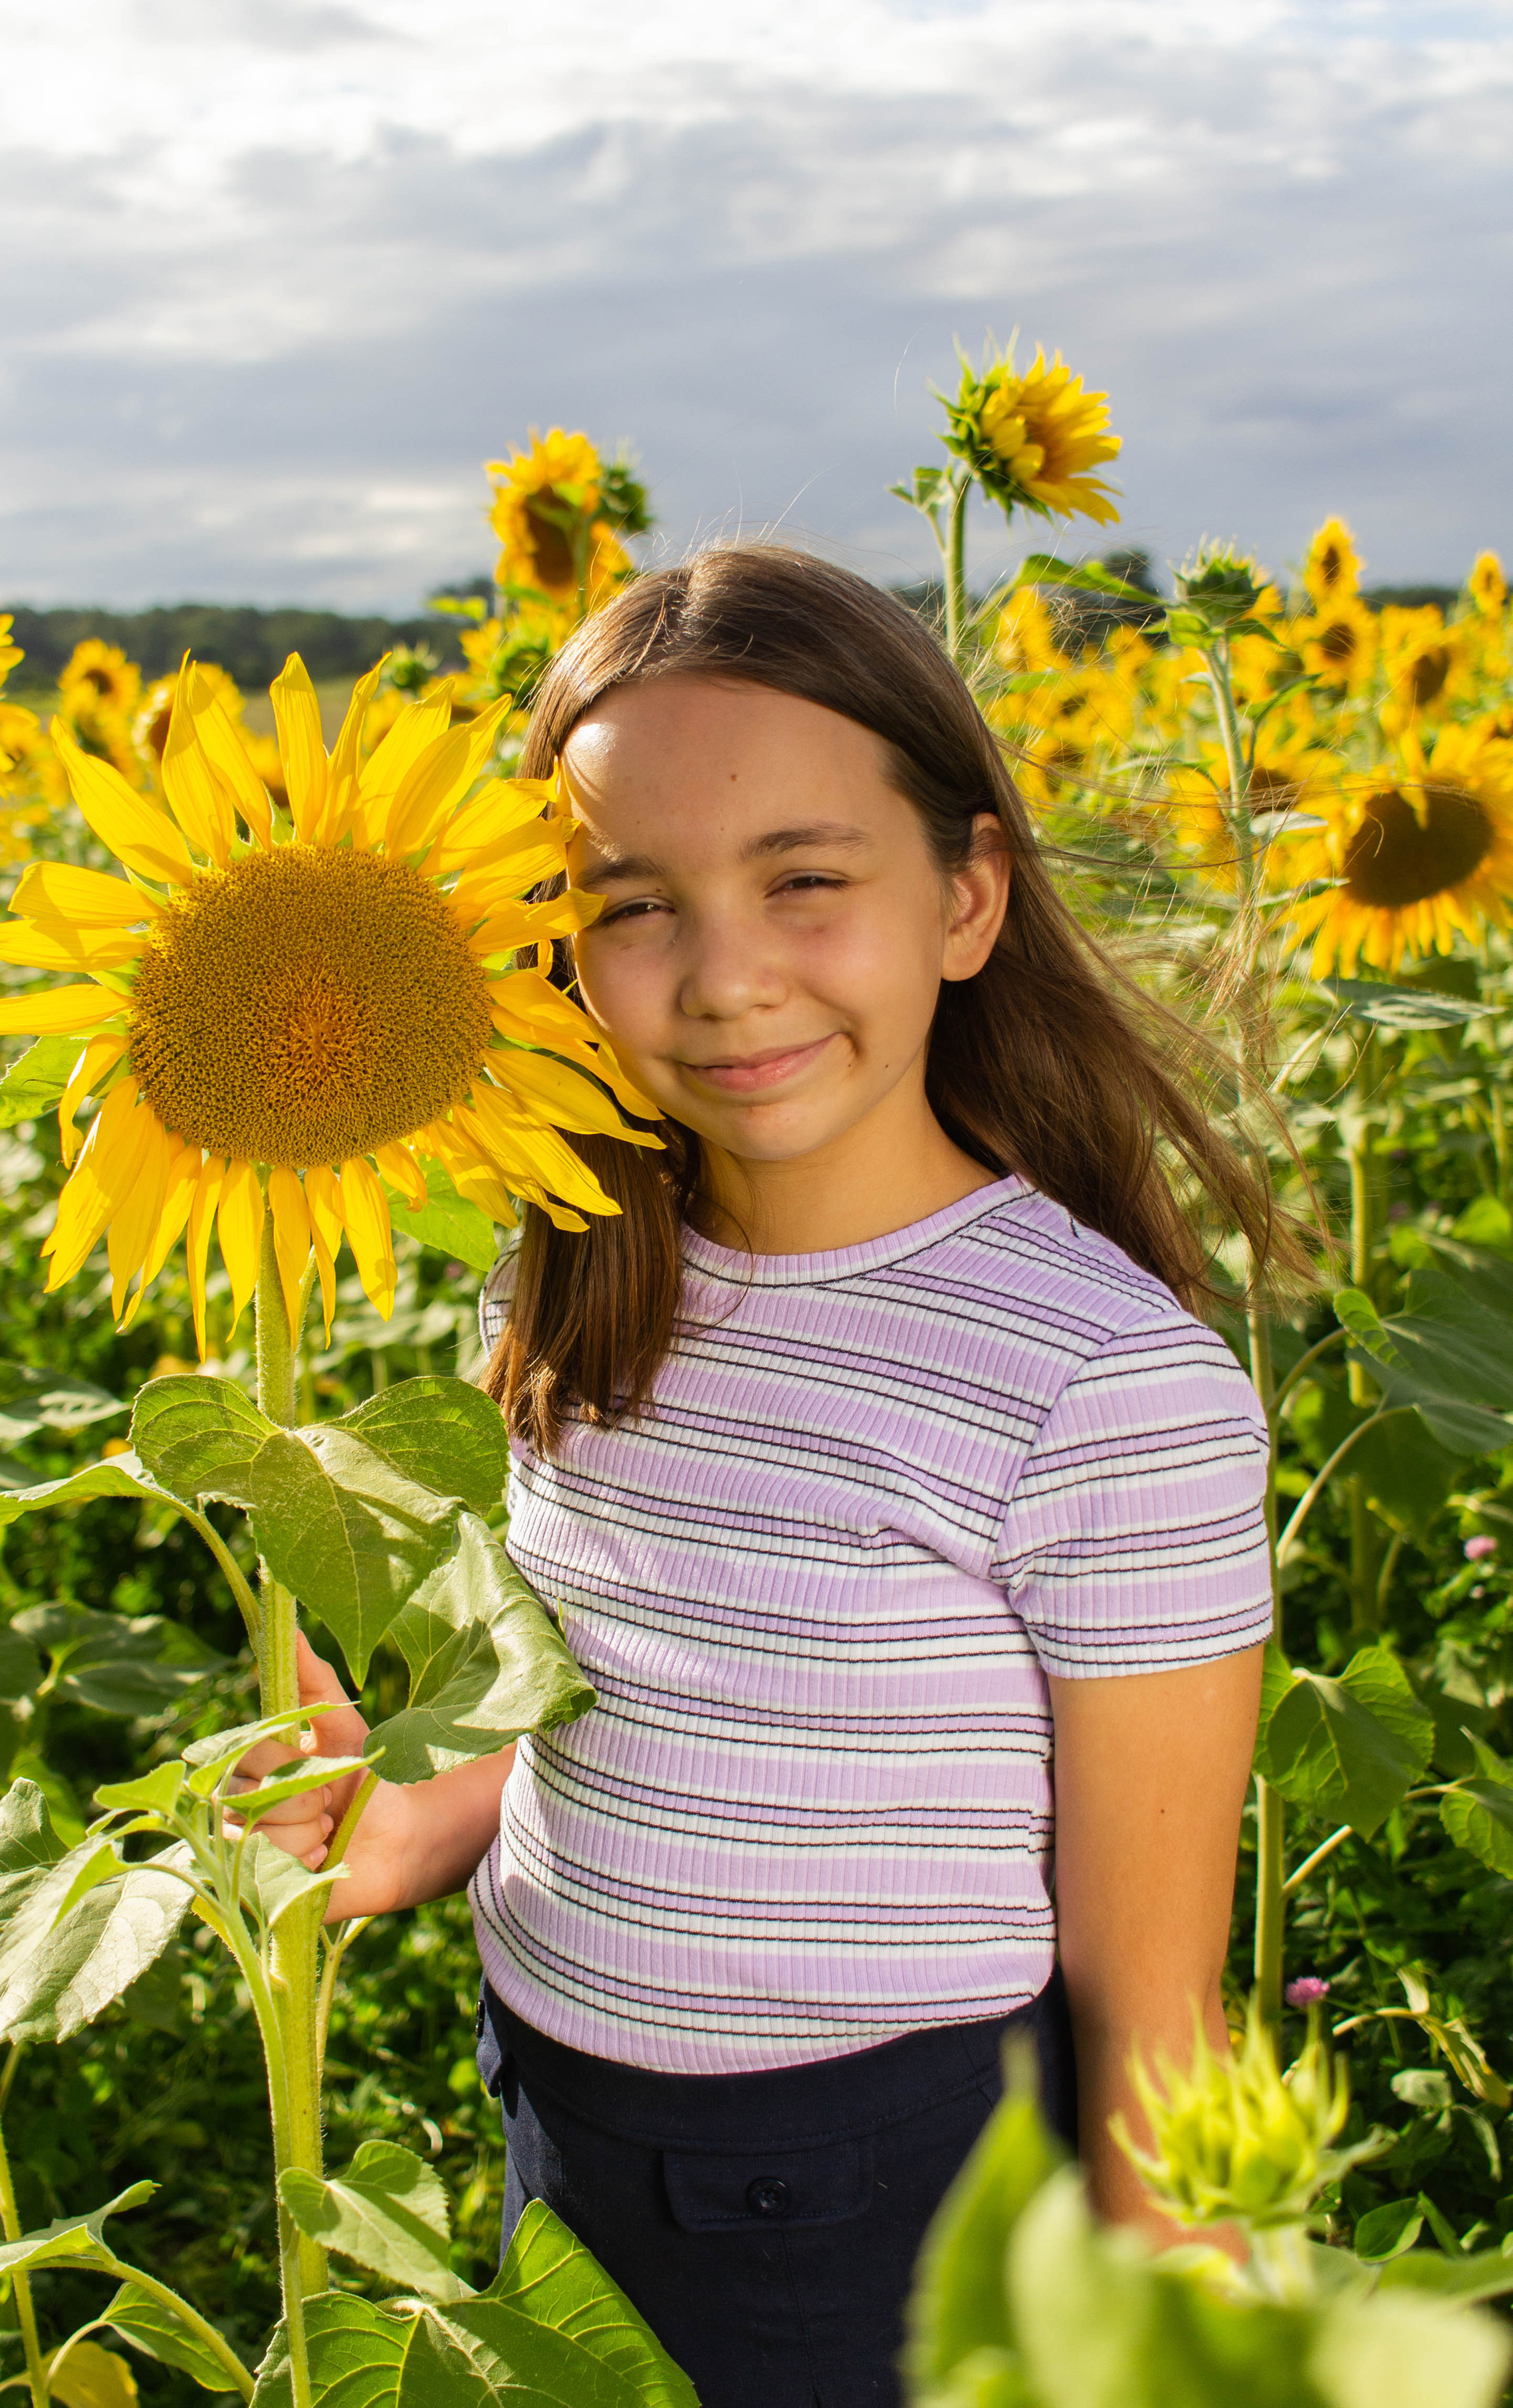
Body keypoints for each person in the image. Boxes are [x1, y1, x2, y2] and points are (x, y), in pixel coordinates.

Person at [237, 546, 1285, 2408]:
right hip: (555, 2114)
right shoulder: (578, 1257)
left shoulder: (1102, 1387)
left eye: (807, 882)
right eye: (632, 904)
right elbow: (623, 1661)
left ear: (967, 897)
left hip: (868, 2201)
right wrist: (437, 1805)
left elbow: (1153, 2012)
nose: (725, 978)